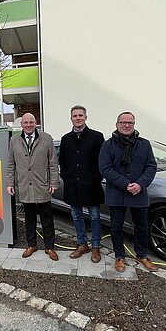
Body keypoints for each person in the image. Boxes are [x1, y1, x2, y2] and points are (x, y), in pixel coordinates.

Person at [99, 112, 158, 272]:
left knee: (142, 226)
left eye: (130, 123)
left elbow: (151, 167)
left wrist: (140, 184)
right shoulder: (108, 145)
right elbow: (105, 168)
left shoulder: (144, 144)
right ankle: (119, 256)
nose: (126, 125)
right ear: (116, 124)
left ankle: (142, 255)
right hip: (117, 192)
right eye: (123, 122)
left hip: (139, 193)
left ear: (134, 124)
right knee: (116, 226)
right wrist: (125, 184)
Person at [7, 113, 60, 261]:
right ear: (21, 124)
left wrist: (54, 182)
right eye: (26, 123)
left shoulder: (46, 138)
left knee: (46, 218)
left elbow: (53, 163)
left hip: (42, 185)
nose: (28, 125)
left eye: (31, 122)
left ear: (36, 123)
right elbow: (11, 163)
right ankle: (32, 245)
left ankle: (49, 247)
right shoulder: (14, 140)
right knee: (29, 217)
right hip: (25, 185)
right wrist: (10, 183)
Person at [59, 106, 105, 263]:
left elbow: (102, 161)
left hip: (91, 185)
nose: (77, 118)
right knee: (76, 216)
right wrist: (65, 176)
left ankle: (96, 246)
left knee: (94, 217)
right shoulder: (66, 139)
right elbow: (62, 161)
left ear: (86, 117)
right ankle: (82, 244)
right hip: (73, 185)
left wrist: (96, 178)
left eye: (80, 115)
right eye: (74, 116)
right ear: (71, 118)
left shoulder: (96, 137)